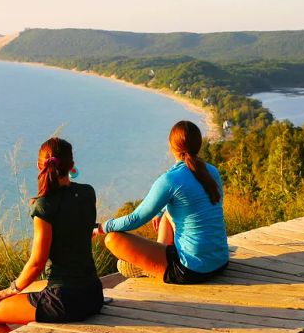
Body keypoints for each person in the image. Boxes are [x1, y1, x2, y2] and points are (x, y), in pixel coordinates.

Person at [0, 137, 103, 333]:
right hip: (93, 295)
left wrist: (10, 290)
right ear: (71, 166)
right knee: (34, 290)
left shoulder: (44, 206)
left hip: (65, 302)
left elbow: (37, 263)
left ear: (39, 166)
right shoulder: (88, 193)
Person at [95, 120, 229, 284]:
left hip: (191, 270)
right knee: (167, 212)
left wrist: (102, 227)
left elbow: (135, 219)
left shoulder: (170, 180)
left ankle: (151, 267)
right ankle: (158, 259)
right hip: (220, 261)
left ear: (171, 147)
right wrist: (160, 212)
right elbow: (190, 199)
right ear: (199, 145)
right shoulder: (212, 172)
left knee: (113, 239)